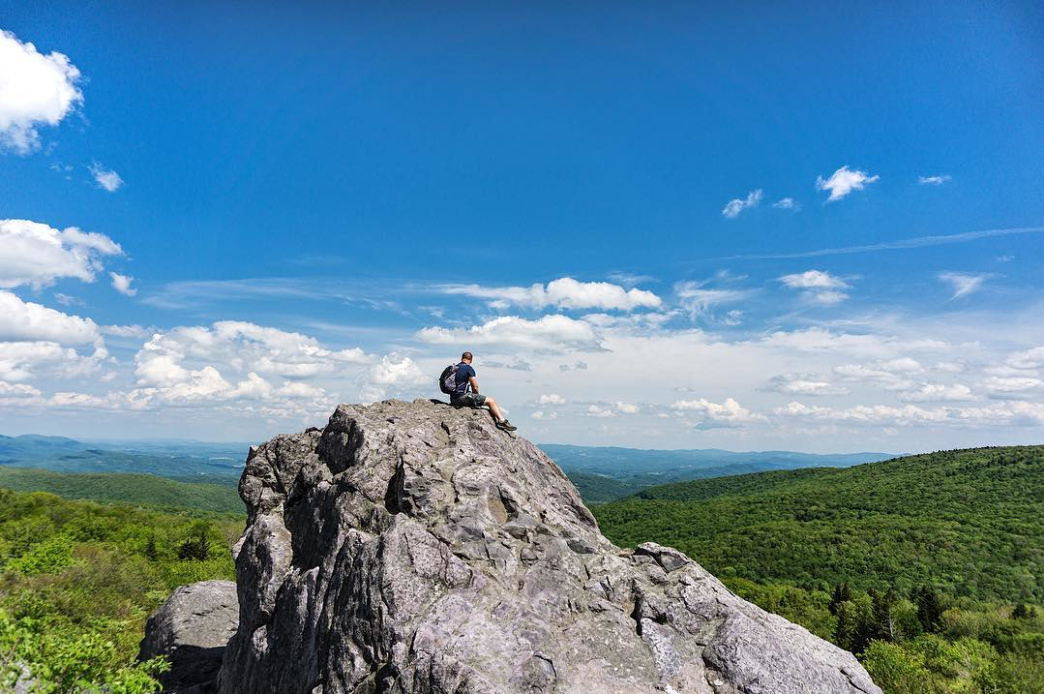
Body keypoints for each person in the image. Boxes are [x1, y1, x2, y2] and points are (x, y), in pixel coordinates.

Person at [451, 351, 517, 431]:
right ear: (471, 360)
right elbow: (475, 387)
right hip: (462, 397)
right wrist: (476, 397)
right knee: (491, 401)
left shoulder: (454, 368)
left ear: (462, 358)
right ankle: (501, 421)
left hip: (453, 399)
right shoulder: (469, 369)